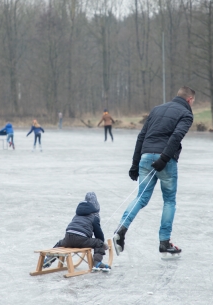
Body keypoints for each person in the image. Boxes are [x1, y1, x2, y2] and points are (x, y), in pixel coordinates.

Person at [113, 86, 195, 257]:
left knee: (141, 198)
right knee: (169, 201)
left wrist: (135, 164)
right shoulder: (186, 114)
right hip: (165, 160)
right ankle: (164, 242)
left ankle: (121, 230)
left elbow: (141, 136)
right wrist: (164, 158)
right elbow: (176, 136)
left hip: (145, 156)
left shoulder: (156, 110)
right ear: (189, 100)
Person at [43, 192, 111, 271]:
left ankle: (49, 259)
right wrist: (102, 244)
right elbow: (98, 234)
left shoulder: (77, 214)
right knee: (98, 242)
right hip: (81, 239)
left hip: (68, 237)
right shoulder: (94, 216)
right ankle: (97, 262)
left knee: (60, 243)